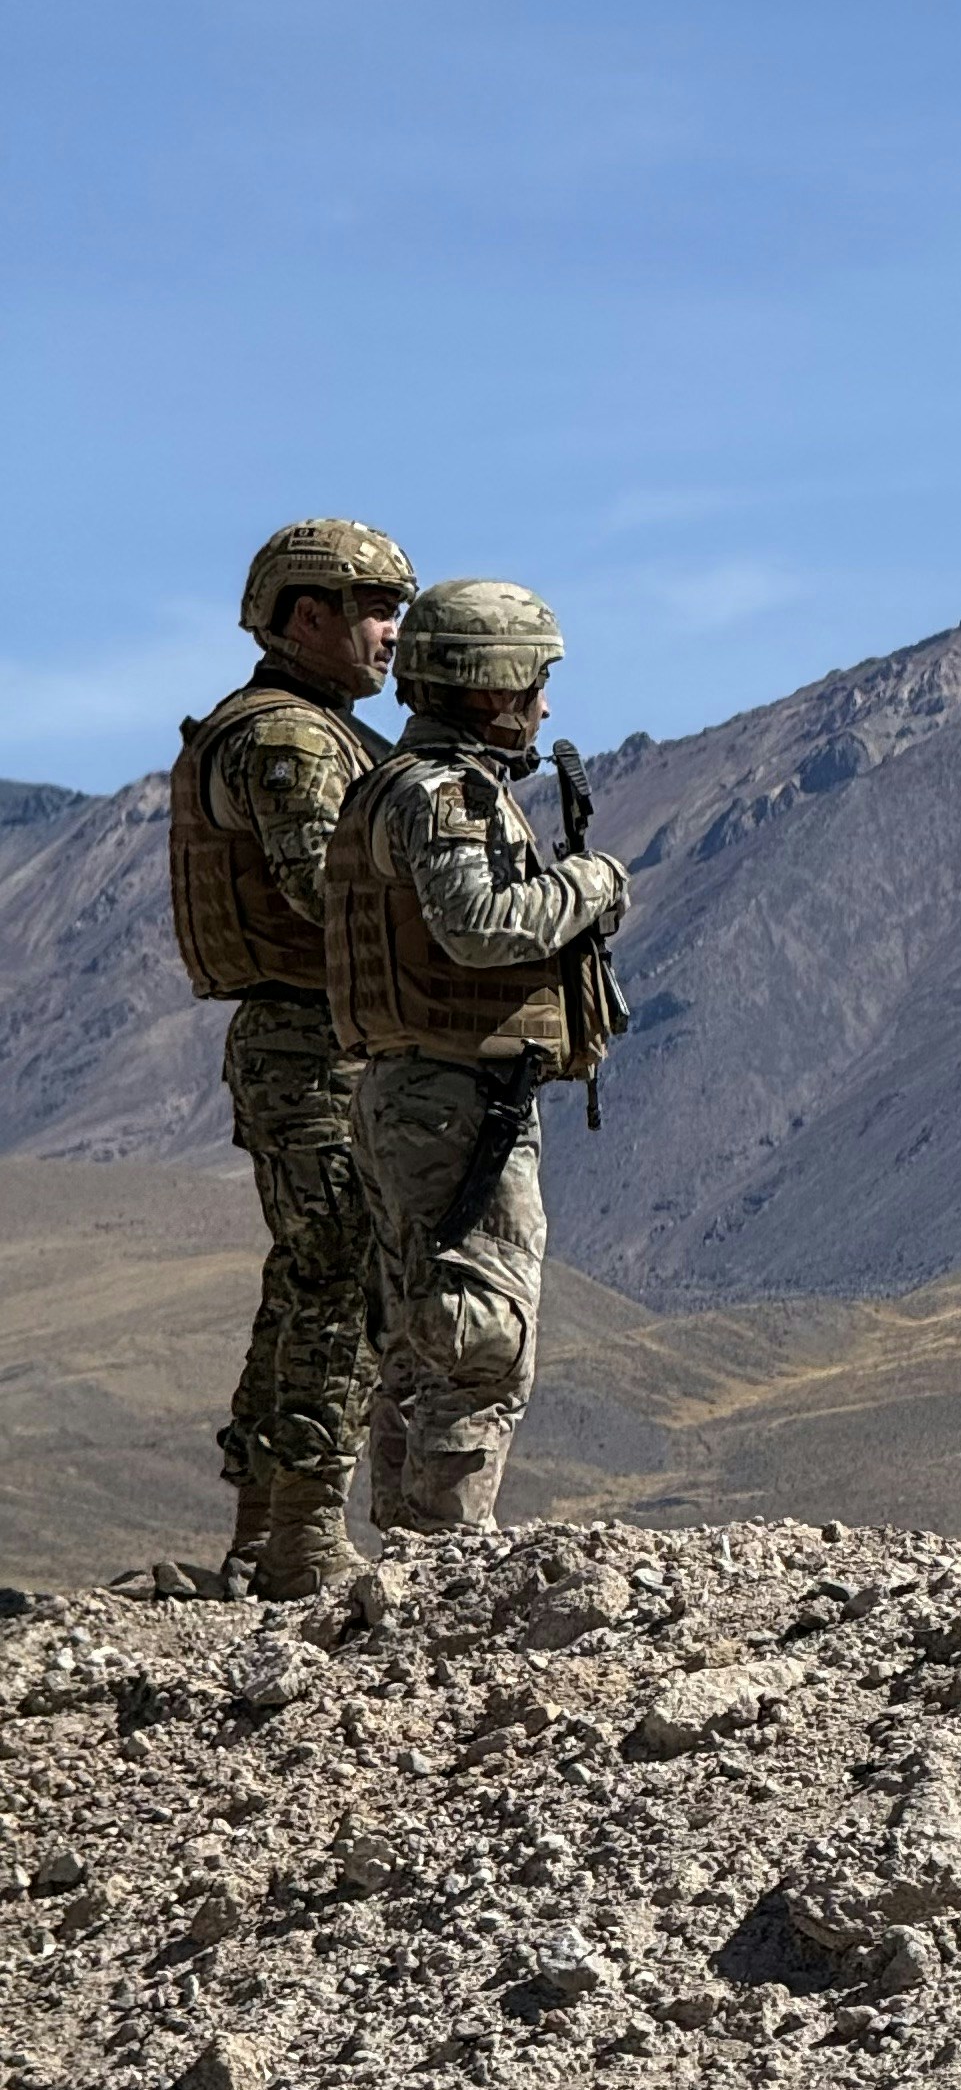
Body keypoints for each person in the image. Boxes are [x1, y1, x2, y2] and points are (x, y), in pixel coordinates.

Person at [323, 580, 629, 1531]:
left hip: (429, 1093)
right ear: (492, 688)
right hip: (457, 1100)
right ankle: (445, 1565)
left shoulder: (400, 784)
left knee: (425, 1331)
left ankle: (411, 1572)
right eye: (535, 682)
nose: (544, 705)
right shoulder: (445, 795)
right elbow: (479, 924)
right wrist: (591, 885)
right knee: (481, 1335)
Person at [167, 519, 415, 1597]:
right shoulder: (294, 742)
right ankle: (304, 1534)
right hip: (314, 1040)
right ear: (304, 618)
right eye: (369, 610)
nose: (390, 633)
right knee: (346, 1273)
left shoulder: (305, 728)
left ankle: (264, 1535)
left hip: (308, 1037)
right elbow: (328, 889)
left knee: (308, 1273)